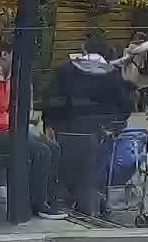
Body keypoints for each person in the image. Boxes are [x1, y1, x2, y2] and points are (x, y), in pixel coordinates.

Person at [0, 41, 67, 218]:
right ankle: (38, 203)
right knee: (40, 150)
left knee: (52, 146)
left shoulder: (5, 78)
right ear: (4, 55)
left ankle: (49, 200)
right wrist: (3, 121)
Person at [45, 38, 136, 215]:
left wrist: (50, 124)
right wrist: (115, 125)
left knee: (65, 164)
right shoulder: (113, 75)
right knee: (94, 167)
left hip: (67, 131)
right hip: (100, 133)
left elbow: (51, 100)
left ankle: (66, 198)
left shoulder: (65, 70)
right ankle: (91, 202)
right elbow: (126, 105)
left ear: (84, 51)